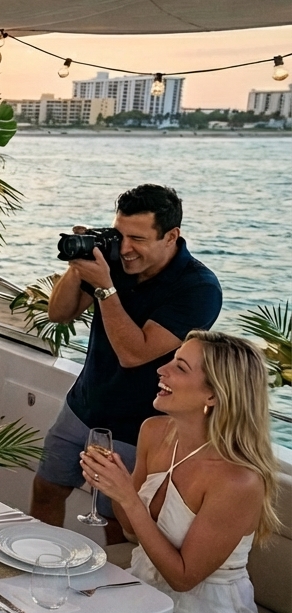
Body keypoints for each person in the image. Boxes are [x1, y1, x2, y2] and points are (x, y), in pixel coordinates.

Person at [30, 331, 280, 613]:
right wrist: (110, 484)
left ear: (213, 395)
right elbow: (132, 532)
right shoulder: (154, 431)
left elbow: (183, 577)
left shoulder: (238, 480)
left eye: (179, 366)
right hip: (143, 589)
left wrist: (126, 495)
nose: (160, 369)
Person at [31, 184, 222, 544]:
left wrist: (105, 288)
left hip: (141, 426)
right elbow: (59, 314)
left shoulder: (198, 288)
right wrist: (79, 267)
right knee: (47, 489)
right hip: (84, 406)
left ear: (171, 236)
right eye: (120, 234)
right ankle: (33, 565)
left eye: (138, 238)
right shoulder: (115, 261)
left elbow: (134, 353)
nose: (126, 247)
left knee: (117, 520)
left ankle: (110, 595)